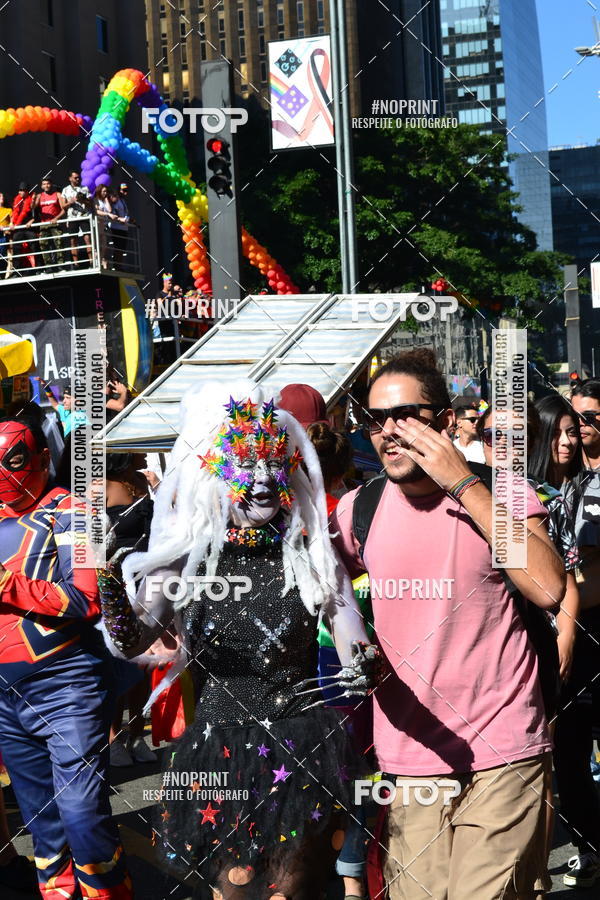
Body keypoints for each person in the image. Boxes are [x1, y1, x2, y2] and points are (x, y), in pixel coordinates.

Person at [98, 380, 380, 900]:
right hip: (218, 752)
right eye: (245, 466)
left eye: (273, 463)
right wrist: (112, 591)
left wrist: (363, 663)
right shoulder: (187, 555)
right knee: (236, 892)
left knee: (292, 889)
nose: (264, 479)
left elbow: (348, 630)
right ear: (213, 472)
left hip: (301, 746)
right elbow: (132, 639)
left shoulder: (310, 551)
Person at [330, 349, 566, 900]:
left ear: (443, 421)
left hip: (504, 749)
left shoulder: (499, 492)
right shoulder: (359, 510)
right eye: (374, 419)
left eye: (405, 415)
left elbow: (548, 586)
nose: (387, 432)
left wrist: (462, 483)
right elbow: (310, 588)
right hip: (412, 758)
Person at [0, 416, 132, 899]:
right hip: (6, 694)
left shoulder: (79, 511)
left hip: (66, 686)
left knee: (81, 812)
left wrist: (9, 585)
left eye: (14, 459)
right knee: (42, 824)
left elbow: (87, 600)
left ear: (38, 457)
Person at [551, 378, 600, 888]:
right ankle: (587, 844)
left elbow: (592, 576)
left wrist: (555, 602)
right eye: (574, 420)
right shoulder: (566, 482)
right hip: (570, 636)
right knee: (568, 751)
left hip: (588, 632)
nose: (581, 430)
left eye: (591, 419)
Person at [33, 178, 66, 271]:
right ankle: (48, 266)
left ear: (51, 184)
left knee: (58, 243)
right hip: (44, 223)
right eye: (44, 184)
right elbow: (33, 207)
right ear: (41, 186)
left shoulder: (58, 194)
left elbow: (64, 209)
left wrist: (56, 218)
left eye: (48, 183)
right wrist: (32, 200)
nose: (46, 185)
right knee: (43, 244)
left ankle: (61, 265)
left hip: (55, 223)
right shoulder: (39, 196)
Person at [62, 170, 93, 266]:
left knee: (87, 238)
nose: (78, 179)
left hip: (84, 216)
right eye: (75, 177)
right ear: (70, 178)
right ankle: (76, 263)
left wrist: (83, 200)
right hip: (72, 217)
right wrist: (70, 202)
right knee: (73, 240)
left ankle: (91, 261)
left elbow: (90, 204)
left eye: (79, 177)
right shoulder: (65, 190)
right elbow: (63, 206)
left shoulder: (85, 188)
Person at [8, 182, 35, 274]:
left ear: (27, 192)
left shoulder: (32, 200)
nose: (21, 192)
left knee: (34, 245)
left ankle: (39, 268)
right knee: (16, 248)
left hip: (29, 228)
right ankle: (17, 271)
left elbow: (37, 214)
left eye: (23, 190)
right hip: (19, 228)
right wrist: (12, 222)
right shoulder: (17, 201)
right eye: (20, 190)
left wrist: (32, 221)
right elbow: (14, 213)